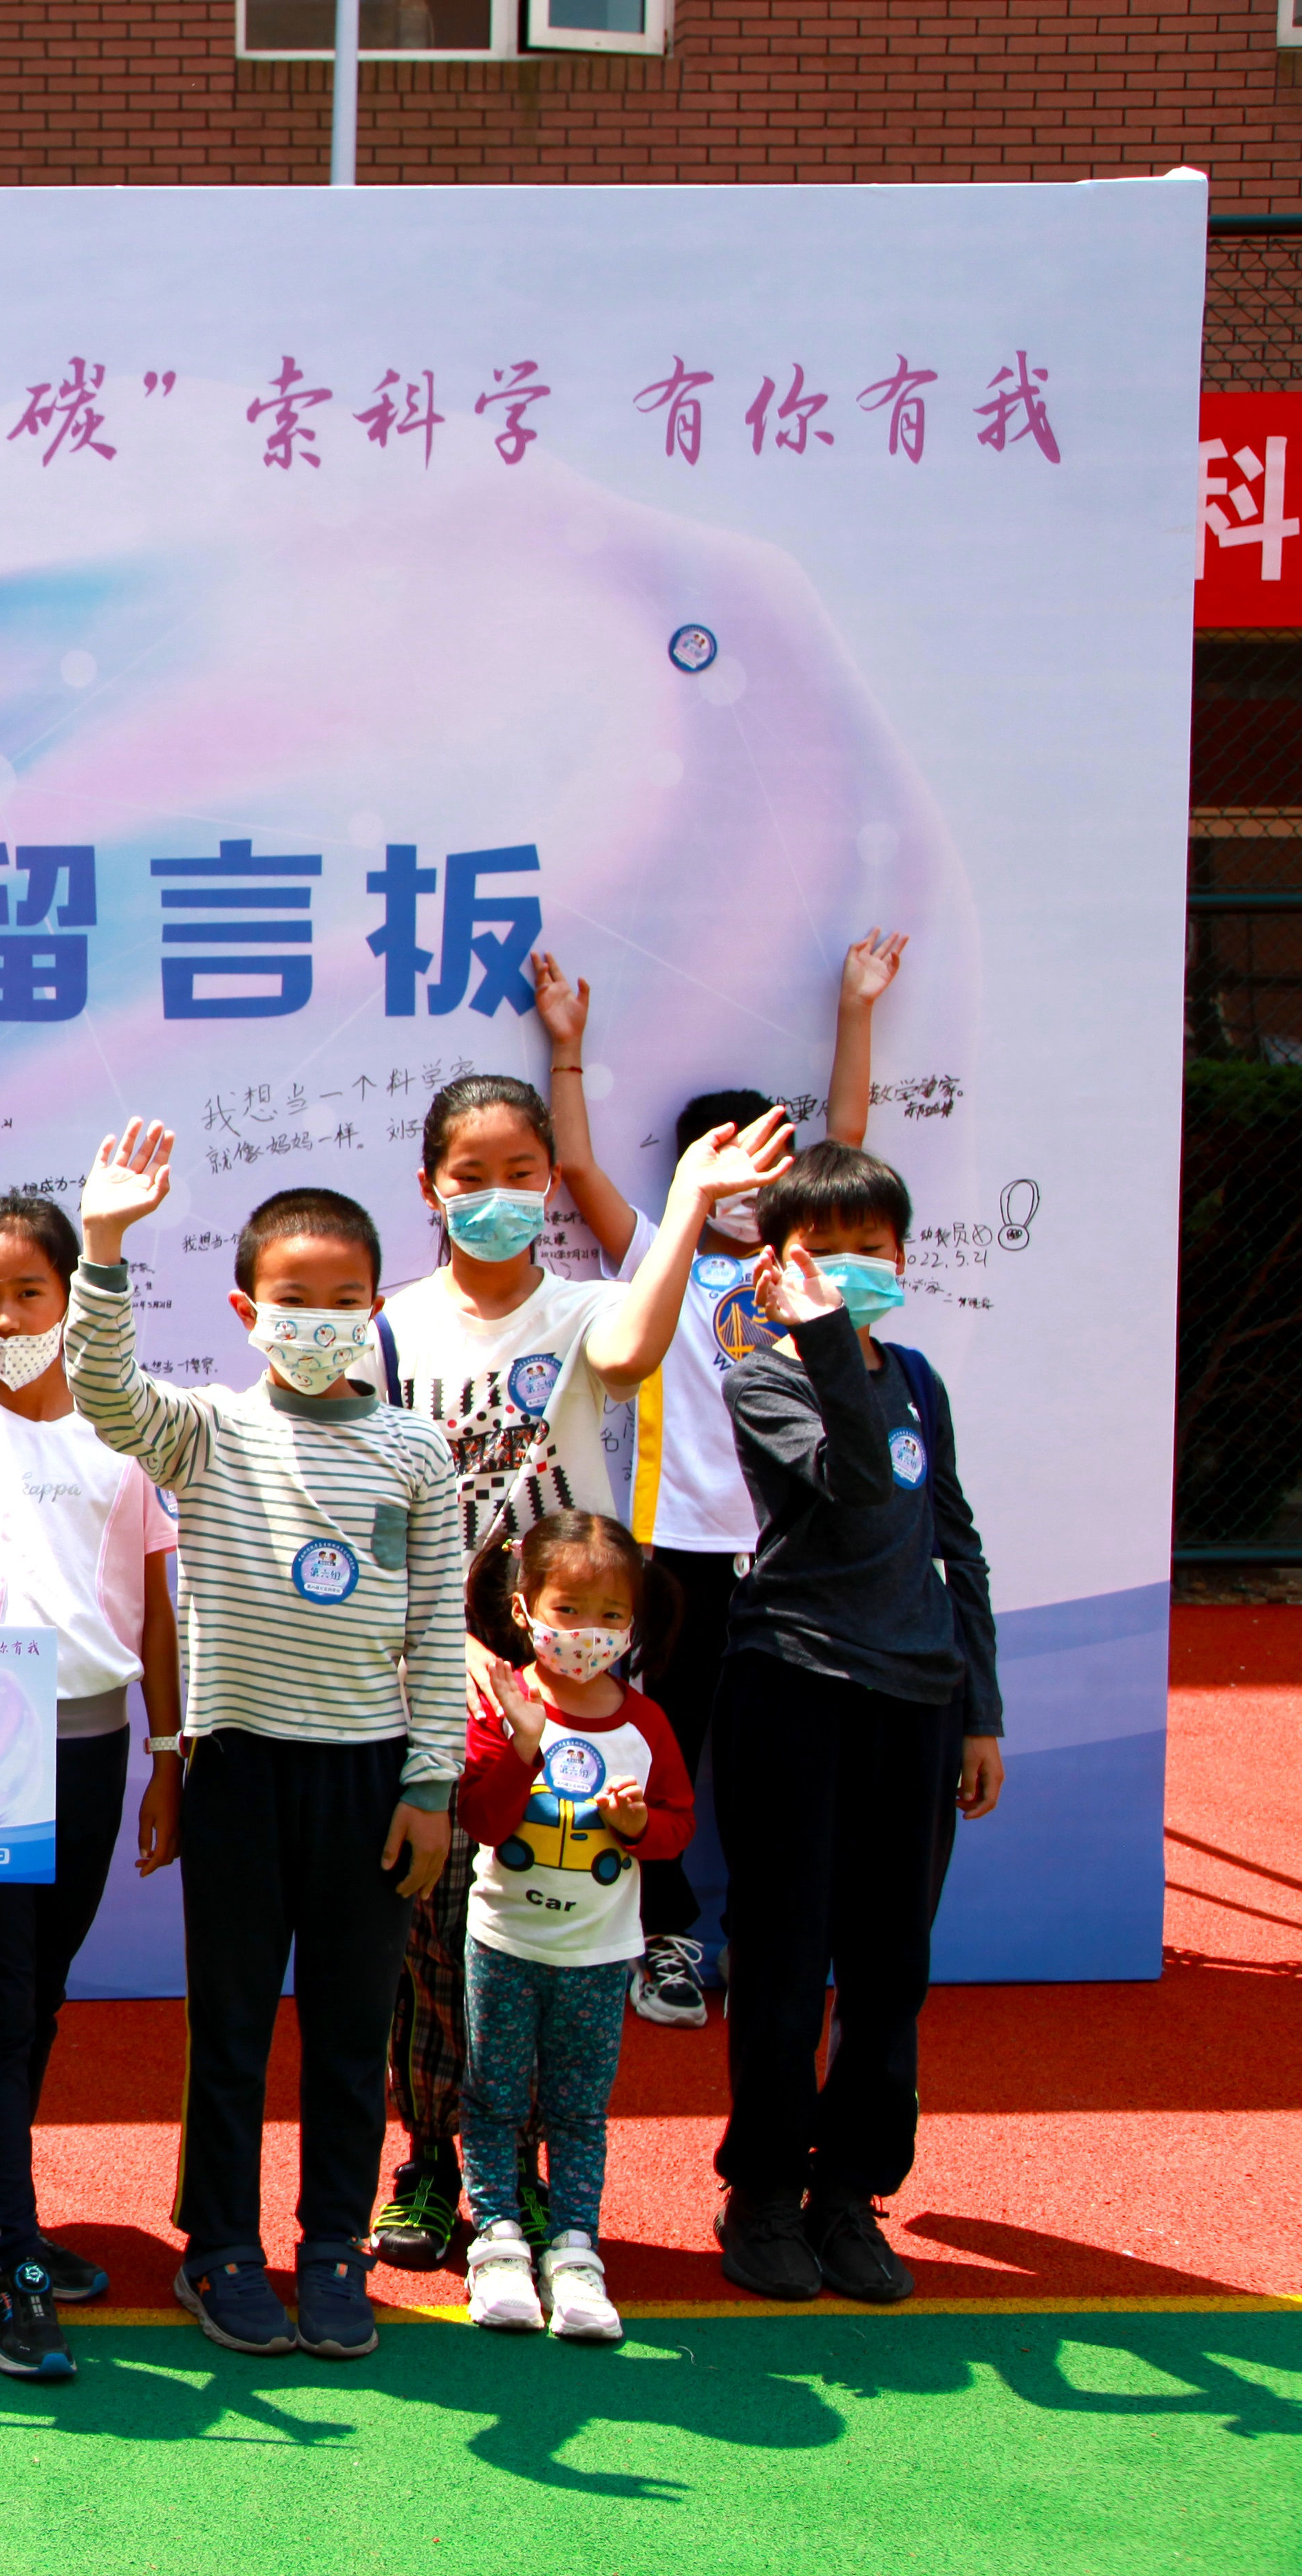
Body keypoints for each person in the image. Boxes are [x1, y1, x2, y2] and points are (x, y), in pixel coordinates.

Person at [367, 1014, 791, 2269]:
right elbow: (377, 1512)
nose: (496, 1196)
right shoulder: (387, 1326)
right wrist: (438, 1647)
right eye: (471, 1174)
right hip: (433, 1682)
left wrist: (694, 1200)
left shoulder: (589, 1308)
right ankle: (429, 2166)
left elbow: (636, 1349)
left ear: (551, 1182)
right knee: (430, 1939)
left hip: (572, 1689)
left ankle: (535, 2179)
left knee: (554, 1941)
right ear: (430, 1187)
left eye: (521, 1173)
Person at [65, 1121, 459, 2364]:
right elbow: (105, 1393)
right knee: (231, 2027)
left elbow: (438, 1627)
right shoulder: (208, 1431)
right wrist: (104, 1243)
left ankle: (334, 2243)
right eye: (294, 1301)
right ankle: (221, 2248)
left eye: (346, 1301)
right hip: (239, 1767)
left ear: (378, 1306)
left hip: (370, 1777)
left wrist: (431, 1782)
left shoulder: (416, 1449)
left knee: (349, 2031)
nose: (320, 1322)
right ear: (246, 1311)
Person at [560, 930, 908, 2029]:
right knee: (663, 1741)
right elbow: (577, 1170)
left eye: (771, 1165)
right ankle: (664, 1938)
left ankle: (785, 1938)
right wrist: (568, 1047)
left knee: (783, 1759)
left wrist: (857, 1008)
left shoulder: (803, 1265)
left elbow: (848, 1138)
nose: (753, 1188)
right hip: (680, 1549)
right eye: (731, 1165)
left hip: (797, 1550)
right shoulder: (660, 1256)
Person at [0, 1191, 182, 2383]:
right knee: (2, 2001)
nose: (6, 1317)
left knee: (40, 1991)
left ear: (72, 1297)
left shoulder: (130, 1425)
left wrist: (169, 1752)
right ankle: (14, 2260)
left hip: (96, 1743)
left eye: (28, 1292)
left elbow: (157, 1605)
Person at [714, 1141, 1001, 2308]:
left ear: (904, 1256)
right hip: (795, 1684)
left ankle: (848, 2190)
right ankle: (764, 2191)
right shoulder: (762, 1378)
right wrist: (826, 1334)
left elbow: (952, 1537)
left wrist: (979, 1708)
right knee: (786, 1959)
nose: (848, 1269)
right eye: (821, 1252)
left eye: (870, 1249)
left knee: (891, 1966)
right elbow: (859, 1484)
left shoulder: (919, 1378)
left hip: (920, 1702)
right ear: (776, 1267)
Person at [451, 1512, 694, 2346]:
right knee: (493, 2099)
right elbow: (483, 1822)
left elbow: (678, 1827)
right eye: (569, 1610)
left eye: (611, 1615)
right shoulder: (504, 1703)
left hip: (597, 1955)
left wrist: (637, 1827)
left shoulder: (646, 1723)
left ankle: (575, 2251)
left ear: (634, 1622)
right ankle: (496, 2243)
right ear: (525, 1610)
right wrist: (522, 1747)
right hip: (504, 1945)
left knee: (580, 2109)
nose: (589, 1632)